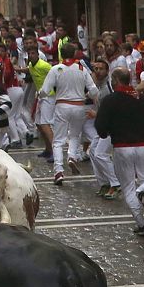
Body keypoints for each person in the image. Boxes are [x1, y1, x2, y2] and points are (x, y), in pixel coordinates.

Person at [95, 67, 144, 236]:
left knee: (127, 187)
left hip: (121, 148)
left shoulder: (110, 100)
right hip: (143, 147)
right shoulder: (141, 98)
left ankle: (142, 224)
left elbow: (100, 125)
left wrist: (105, 133)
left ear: (116, 80)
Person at [39, 43, 99, 185]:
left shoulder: (56, 69)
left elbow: (45, 91)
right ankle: (72, 156)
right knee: (75, 135)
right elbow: (94, 90)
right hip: (79, 106)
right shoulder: (81, 69)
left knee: (58, 140)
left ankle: (59, 170)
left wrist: (39, 94)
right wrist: (89, 95)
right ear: (74, 54)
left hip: (62, 105)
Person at [87, 59, 121, 199]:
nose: (98, 71)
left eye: (101, 69)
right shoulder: (99, 85)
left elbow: (113, 107)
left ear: (107, 71)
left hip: (111, 126)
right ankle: (104, 183)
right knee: (92, 152)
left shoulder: (108, 86)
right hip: (103, 126)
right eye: (96, 69)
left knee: (100, 154)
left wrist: (97, 114)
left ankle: (115, 183)